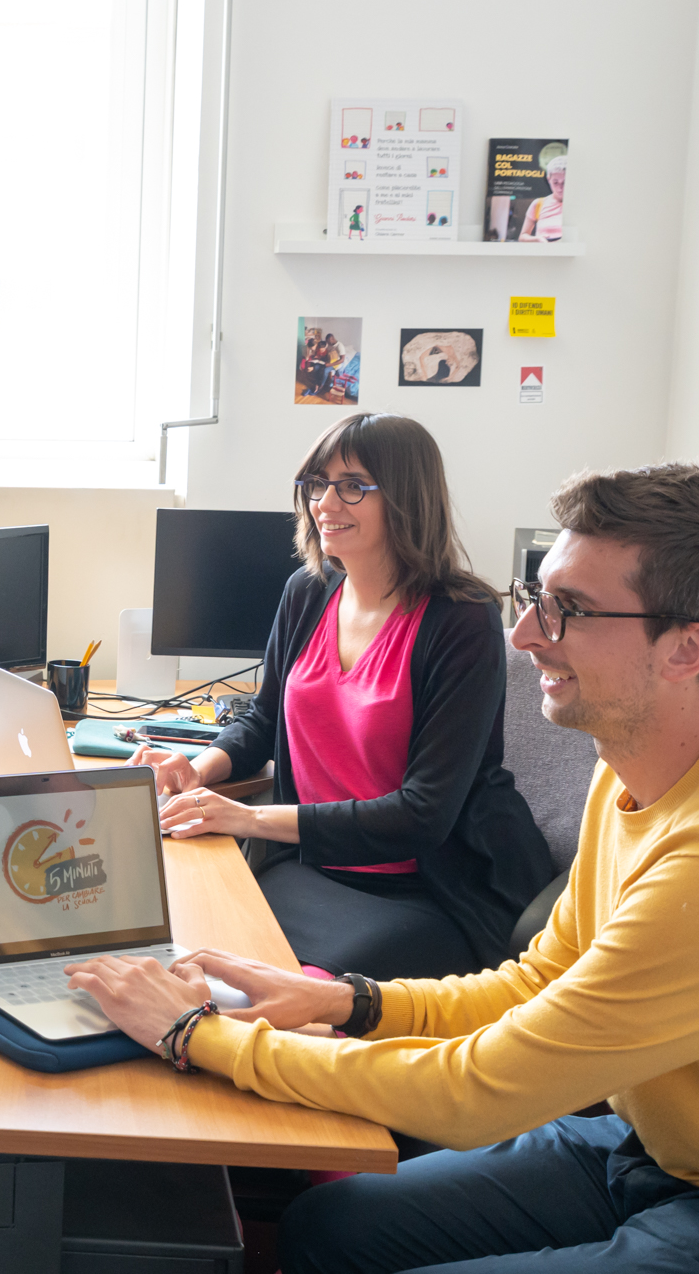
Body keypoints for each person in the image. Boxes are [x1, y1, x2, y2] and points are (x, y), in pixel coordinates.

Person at [73, 463, 699, 1273]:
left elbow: (481, 1092)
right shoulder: (633, 764)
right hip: (652, 1142)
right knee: (328, 1226)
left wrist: (195, 1034)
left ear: (689, 648)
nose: (525, 636)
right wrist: (344, 999)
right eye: (536, 597)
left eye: (571, 611)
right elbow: (536, 979)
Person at [130, 413, 550, 979]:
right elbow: (262, 719)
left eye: (352, 486)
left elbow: (423, 815)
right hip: (307, 868)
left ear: (406, 498)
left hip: (427, 889)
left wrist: (247, 820)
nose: (325, 503)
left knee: (288, 1008)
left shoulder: (461, 619)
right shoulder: (307, 590)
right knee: (191, 947)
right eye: (316, 484)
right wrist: (195, 770)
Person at [519, 153, 567, 242]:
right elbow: (523, 236)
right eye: (555, 182)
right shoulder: (538, 204)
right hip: (543, 252)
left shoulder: (577, 205)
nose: (560, 188)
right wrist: (538, 239)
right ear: (549, 180)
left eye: (564, 183)